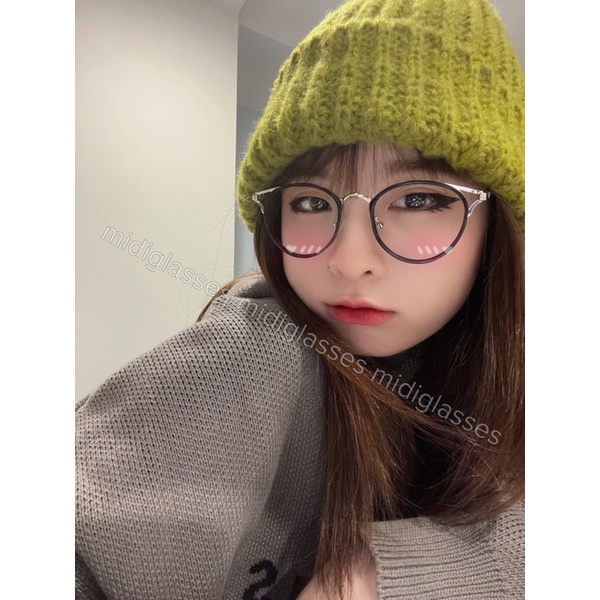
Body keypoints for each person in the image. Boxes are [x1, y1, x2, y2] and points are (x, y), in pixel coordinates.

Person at [75, 0, 524, 598]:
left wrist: (380, 573)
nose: (350, 259)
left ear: (498, 227)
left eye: (417, 200)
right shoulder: (245, 358)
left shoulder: (520, 370)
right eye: (311, 202)